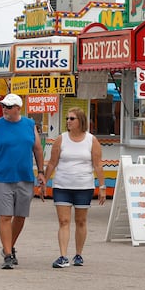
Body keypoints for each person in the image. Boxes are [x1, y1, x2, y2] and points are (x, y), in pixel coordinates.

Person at [0, 94, 46, 269]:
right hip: (2, 178)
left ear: (18, 108)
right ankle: (8, 255)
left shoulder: (30, 125)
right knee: (5, 216)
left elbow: (38, 149)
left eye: (8, 106)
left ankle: (8, 246)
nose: (4, 109)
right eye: (3, 106)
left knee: (20, 216)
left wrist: (41, 172)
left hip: (25, 177)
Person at [42, 107, 105, 268]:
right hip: (62, 185)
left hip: (84, 186)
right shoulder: (61, 139)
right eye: (67, 119)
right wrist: (44, 182)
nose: (68, 121)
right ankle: (63, 256)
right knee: (63, 221)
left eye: (72, 119)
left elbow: (98, 164)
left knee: (81, 221)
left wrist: (102, 186)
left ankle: (79, 254)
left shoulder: (91, 140)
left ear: (80, 121)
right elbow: (52, 162)